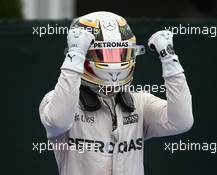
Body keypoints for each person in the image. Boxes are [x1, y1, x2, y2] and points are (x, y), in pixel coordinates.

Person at [39, 11, 193, 175]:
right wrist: (74, 56)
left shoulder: (139, 103)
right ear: (84, 54)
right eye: (104, 55)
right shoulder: (57, 101)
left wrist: (170, 60)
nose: (113, 64)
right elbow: (58, 121)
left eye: (119, 54)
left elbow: (181, 121)